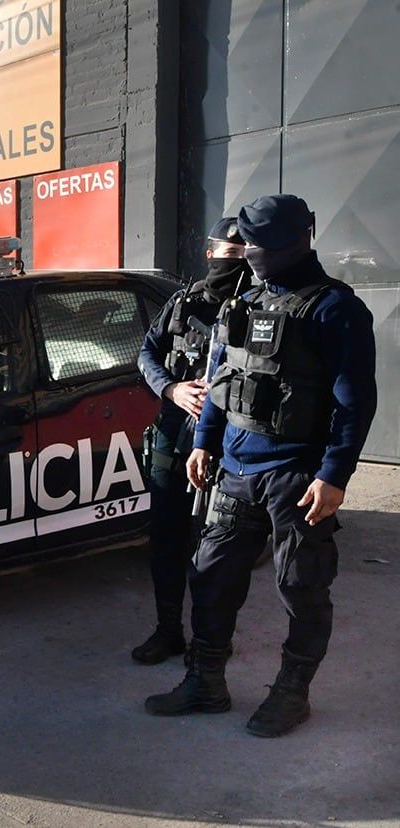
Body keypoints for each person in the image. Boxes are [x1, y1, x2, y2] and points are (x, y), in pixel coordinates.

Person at [145, 195, 377, 737]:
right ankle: (205, 684)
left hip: (298, 476)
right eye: (245, 242)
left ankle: (292, 695)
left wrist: (334, 475)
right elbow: (221, 379)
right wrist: (203, 442)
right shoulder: (244, 300)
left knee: (301, 586)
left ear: (297, 241)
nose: (247, 253)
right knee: (210, 579)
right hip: (234, 466)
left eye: (258, 244)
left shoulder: (334, 308)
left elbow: (354, 401)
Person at [132, 217, 251, 664]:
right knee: (166, 538)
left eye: (246, 252)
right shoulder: (184, 302)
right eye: (230, 251)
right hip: (173, 433)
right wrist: (171, 388)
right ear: (209, 252)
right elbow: (146, 352)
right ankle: (168, 631)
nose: (238, 260)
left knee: (219, 547)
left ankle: (210, 639)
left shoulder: (258, 304)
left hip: (228, 440)